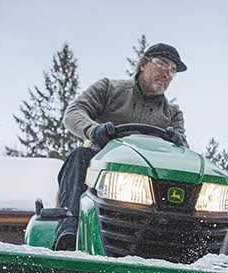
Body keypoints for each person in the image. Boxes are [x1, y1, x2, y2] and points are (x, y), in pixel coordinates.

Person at [53, 42, 189, 250]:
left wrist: (178, 143)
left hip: (149, 186)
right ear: (143, 64)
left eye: (172, 70)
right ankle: (70, 230)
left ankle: (186, 247)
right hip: (102, 176)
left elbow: (184, 151)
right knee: (80, 156)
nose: (167, 73)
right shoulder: (109, 89)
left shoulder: (171, 113)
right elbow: (73, 113)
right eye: (162, 64)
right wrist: (93, 130)